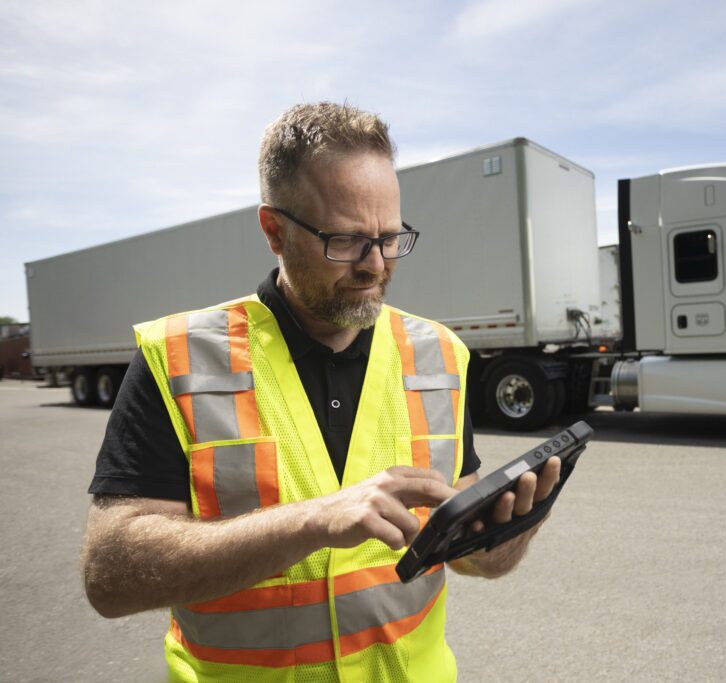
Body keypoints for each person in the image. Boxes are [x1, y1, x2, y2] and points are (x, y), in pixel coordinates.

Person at [81, 102, 561, 682]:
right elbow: (110, 576)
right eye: (347, 241)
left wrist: (508, 535)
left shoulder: (439, 355)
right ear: (274, 231)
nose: (375, 265)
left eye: (390, 238)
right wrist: (311, 522)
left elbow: (470, 559)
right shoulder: (180, 357)